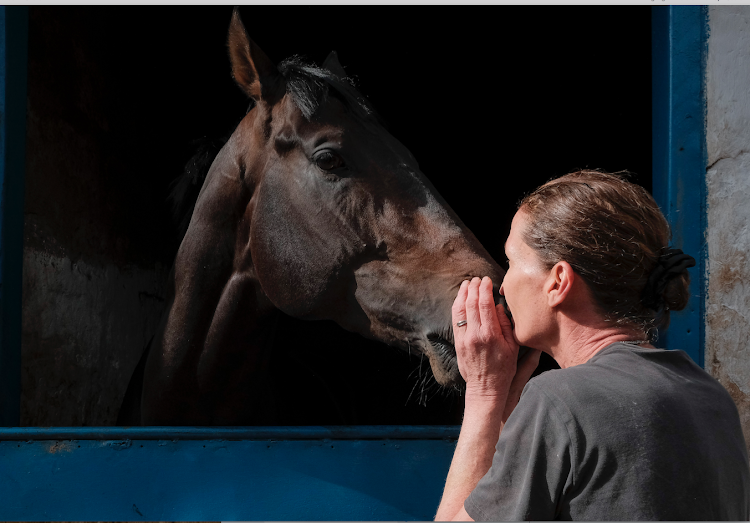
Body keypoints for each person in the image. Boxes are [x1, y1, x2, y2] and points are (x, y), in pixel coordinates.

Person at [435, 171, 750, 521]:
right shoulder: (709, 394)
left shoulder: (559, 401)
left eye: (510, 262)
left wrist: (484, 393)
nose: (504, 286)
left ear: (558, 282)